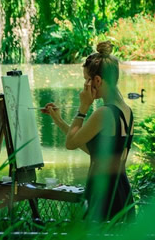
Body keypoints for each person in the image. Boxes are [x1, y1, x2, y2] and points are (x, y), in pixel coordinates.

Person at [41, 41, 135, 222]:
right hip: (122, 191)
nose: (85, 84)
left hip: (104, 194)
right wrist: (59, 121)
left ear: (97, 81)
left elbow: (70, 144)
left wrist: (83, 108)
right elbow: (91, 148)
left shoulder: (104, 113)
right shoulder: (126, 111)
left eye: (86, 79)